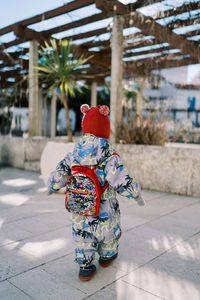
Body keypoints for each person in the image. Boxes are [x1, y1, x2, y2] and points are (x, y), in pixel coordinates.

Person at [48, 104, 145, 281]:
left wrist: (52, 185)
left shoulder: (74, 154)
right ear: (105, 130)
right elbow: (121, 180)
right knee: (108, 233)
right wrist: (135, 192)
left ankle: (85, 266)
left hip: (79, 209)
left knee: (82, 237)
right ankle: (107, 256)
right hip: (104, 211)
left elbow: (59, 175)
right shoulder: (109, 156)